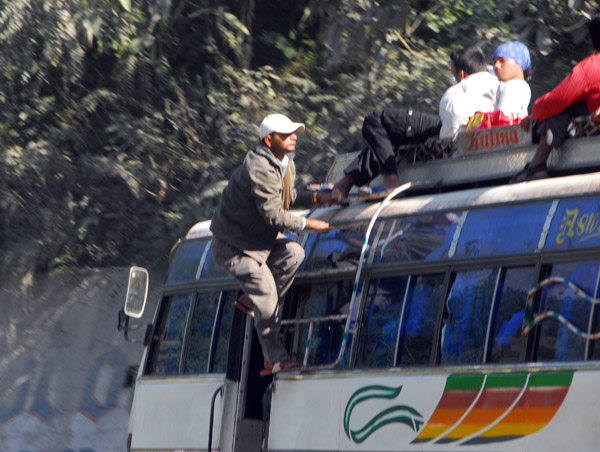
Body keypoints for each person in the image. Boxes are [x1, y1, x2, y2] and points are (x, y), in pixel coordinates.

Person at [210, 113, 331, 375]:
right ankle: (274, 358)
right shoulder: (259, 167)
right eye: (286, 134)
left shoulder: (285, 163)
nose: (294, 137)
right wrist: (311, 224)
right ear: (268, 139)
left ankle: (250, 300)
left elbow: (290, 196)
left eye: (294, 133)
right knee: (266, 292)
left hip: (258, 242)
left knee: (294, 253)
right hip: (235, 246)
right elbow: (273, 215)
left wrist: (319, 197)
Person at [332, 46, 499, 200]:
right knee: (387, 139)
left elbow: (456, 118)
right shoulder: (495, 83)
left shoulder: (461, 89)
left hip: (448, 131)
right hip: (453, 130)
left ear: (461, 74)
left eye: (454, 73)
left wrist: (444, 136)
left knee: (375, 120)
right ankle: (344, 184)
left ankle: (390, 181)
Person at [510, 15, 600, 183]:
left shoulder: (592, 66)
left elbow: (557, 100)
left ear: (594, 42)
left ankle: (537, 164)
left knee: (560, 107)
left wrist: (536, 113)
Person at [492, 41, 532, 119]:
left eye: (502, 60)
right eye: (494, 62)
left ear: (518, 64)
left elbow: (502, 120)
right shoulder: (522, 86)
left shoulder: (514, 86)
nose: (496, 66)